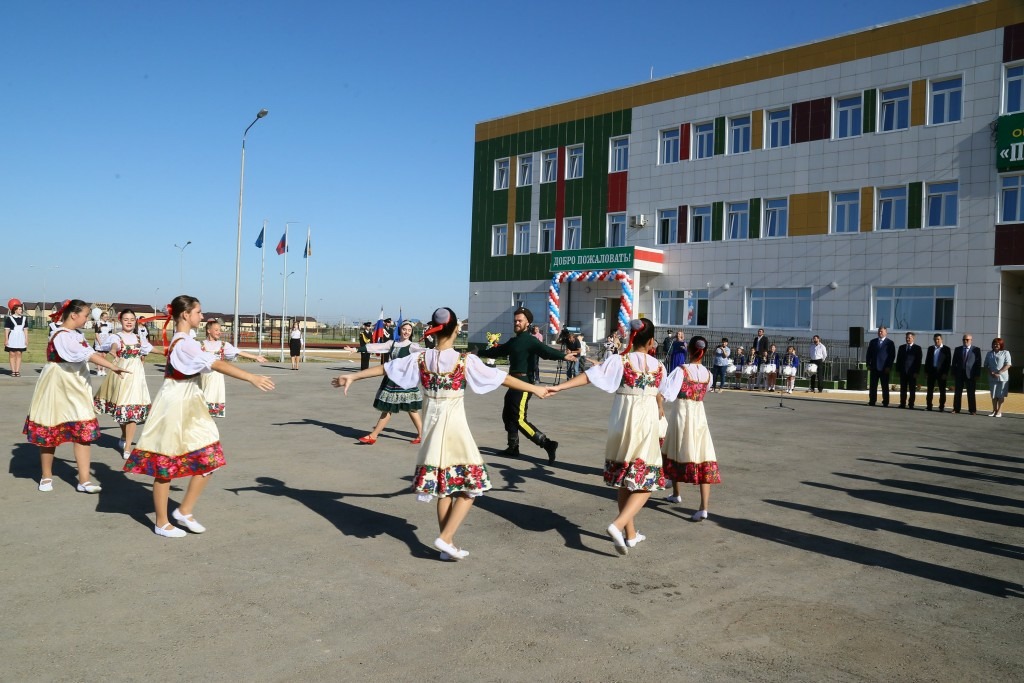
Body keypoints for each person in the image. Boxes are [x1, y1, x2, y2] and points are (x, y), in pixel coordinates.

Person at [332, 307, 550, 561]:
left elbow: (387, 369)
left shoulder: (422, 358)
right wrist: (535, 389)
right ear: (456, 329)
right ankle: (445, 538)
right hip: (455, 430)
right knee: (472, 487)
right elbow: (502, 378)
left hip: (433, 431)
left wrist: (353, 376)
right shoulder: (463, 360)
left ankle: (447, 546)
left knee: (444, 489)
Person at [124, 295, 275, 538]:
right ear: (186, 315)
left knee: (209, 456)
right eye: (198, 312)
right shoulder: (184, 343)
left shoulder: (188, 340)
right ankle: (161, 522)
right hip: (174, 404)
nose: (202, 317)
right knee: (166, 462)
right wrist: (252, 377)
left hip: (191, 401)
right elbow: (215, 363)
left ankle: (184, 510)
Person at [549, 318, 668, 555]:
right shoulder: (659, 367)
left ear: (632, 338)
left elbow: (590, 376)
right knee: (648, 481)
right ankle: (618, 524)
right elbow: (660, 394)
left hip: (622, 421)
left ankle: (631, 535)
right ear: (652, 341)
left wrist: (559, 387)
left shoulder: (620, 360)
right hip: (645, 423)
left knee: (626, 477)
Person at [23, 299, 129, 493]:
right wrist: (112, 366)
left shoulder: (75, 334)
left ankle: (84, 479)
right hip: (57, 385)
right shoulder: (61, 335)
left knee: (83, 431)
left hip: (76, 386)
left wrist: (113, 348)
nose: (87, 318)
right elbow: (83, 354)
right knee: (50, 429)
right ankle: (46, 476)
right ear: (74, 315)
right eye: (86, 315)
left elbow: (92, 350)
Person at [476, 307, 576, 462]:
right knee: (508, 416)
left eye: (520, 320)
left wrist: (564, 356)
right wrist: (479, 353)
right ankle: (513, 447)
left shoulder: (530, 340)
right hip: (513, 383)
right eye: (515, 320)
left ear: (527, 322)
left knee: (519, 419)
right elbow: (498, 351)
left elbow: (546, 351)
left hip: (524, 385)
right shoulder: (514, 341)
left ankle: (547, 444)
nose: (516, 323)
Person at [661, 336, 721, 521]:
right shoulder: (708, 374)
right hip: (699, 415)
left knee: (675, 449)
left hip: (682, 413)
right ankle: (703, 507)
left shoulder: (682, 370)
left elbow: (668, 394)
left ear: (689, 350)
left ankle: (676, 493)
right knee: (703, 454)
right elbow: (705, 391)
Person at [93, 309, 154, 458]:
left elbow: (150, 348)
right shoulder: (116, 336)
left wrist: (168, 351)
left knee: (132, 412)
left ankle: (127, 447)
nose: (129, 322)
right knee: (121, 412)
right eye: (126, 319)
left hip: (136, 377)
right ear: (121, 321)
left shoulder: (139, 338)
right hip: (120, 375)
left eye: (132, 319)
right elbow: (114, 345)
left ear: (135, 321)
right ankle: (124, 435)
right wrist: (114, 350)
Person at [357, 320, 423, 445]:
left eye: (409, 330)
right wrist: (357, 350)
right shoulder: (392, 343)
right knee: (391, 409)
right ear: (400, 330)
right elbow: (375, 346)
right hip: (392, 380)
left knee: (410, 409)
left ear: (412, 332)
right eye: (404, 329)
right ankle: (374, 435)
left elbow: (427, 353)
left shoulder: (413, 346)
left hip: (405, 381)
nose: (406, 332)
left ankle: (374, 435)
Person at [199, 319, 268, 418]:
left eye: (220, 330)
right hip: (202, 377)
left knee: (210, 406)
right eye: (216, 330)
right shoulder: (200, 344)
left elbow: (239, 352)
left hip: (216, 378)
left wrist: (256, 357)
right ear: (209, 330)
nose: (219, 332)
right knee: (200, 405)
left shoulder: (223, 345)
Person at [950, 333, 982, 415]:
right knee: (957, 393)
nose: (965, 341)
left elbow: (978, 363)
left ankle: (972, 410)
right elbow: (954, 362)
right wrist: (953, 372)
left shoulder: (976, 350)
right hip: (959, 374)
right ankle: (956, 409)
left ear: (971, 340)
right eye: (964, 339)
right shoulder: (958, 349)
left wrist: (977, 374)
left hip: (971, 375)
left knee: (971, 393)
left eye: (967, 339)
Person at [866, 326, 896, 407]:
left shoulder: (890, 343)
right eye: (879, 331)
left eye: (882, 331)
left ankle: (885, 402)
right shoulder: (873, 342)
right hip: (874, 367)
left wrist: (889, 366)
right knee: (873, 386)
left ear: (886, 332)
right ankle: (872, 401)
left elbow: (892, 356)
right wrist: (868, 364)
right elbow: (868, 354)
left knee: (884, 386)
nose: (880, 333)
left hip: (884, 368)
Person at [984, 337, 1012, 418]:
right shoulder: (989, 353)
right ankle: (994, 410)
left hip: (1002, 377)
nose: (996, 345)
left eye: (998, 344)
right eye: (994, 344)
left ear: (1001, 345)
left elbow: (1008, 364)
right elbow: (986, 365)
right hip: (992, 377)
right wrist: (991, 372)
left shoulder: (1005, 352)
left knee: (1000, 395)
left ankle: (999, 411)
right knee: (993, 395)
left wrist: (999, 372)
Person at [924, 333, 951, 412]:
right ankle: (929, 406)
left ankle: (941, 406)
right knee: (930, 390)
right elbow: (927, 361)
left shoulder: (946, 349)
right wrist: (926, 372)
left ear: (942, 340)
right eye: (935, 339)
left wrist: (945, 373)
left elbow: (948, 362)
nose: (936, 341)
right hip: (931, 372)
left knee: (942, 390)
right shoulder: (931, 348)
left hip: (941, 373)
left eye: (938, 339)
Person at [895, 332, 923, 409]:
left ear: (913, 338)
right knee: (903, 389)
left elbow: (918, 361)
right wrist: (898, 370)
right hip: (903, 372)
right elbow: (898, 360)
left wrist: (917, 372)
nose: (907, 339)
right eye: (906, 337)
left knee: (912, 389)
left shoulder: (917, 348)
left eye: (909, 338)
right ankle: (902, 403)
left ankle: (911, 404)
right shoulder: (901, 347)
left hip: (912, 372)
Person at [5, 299, 28, 377]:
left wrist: (26, 339)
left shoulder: (24, 319)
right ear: (15, 310)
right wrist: (6, 339)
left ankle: (17, 371)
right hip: (12, 337)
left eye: (21, 309)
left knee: (19, 353)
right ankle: (13, 371)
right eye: (19, 309)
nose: (21, 310)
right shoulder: (9, 318)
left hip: (20, 337)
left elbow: (25, 330)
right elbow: (7, 330)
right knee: (12, 353)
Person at [93, 310, 114, 376]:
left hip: (106, 340)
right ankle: (99, 370)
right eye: (105, 317)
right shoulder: (98, 323)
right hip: (100, 340)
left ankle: (103, 370)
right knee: (99, 356)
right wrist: (100, 342)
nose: (106, 318)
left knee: (104, 356)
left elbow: (110, 333)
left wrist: (111, 341)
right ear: (101, 317)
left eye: (107, 317)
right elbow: (96, 333)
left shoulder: (109, 324)